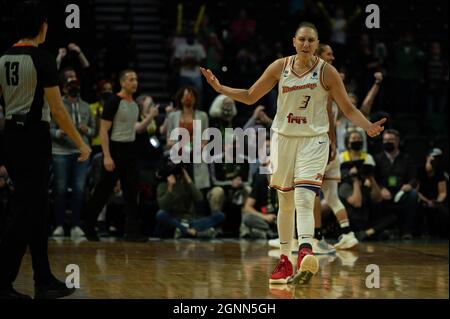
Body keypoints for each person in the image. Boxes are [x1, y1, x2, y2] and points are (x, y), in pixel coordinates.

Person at [201, 22, 385, 285]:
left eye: (311, 40)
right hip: (284, 139)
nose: (307, 44)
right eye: (302, 39)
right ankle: (285, 260)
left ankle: (306, 250)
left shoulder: (327, 72)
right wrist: (221, 89)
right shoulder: (280, 66)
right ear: (294, 42)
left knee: (303, 196)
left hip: (314, 141)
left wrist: (367, 127)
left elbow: (347, 108)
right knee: (284, 202)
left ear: (317, 43)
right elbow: (251, 95)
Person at [0, 1, 91, 299]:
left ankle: (43, 280)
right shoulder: (43, 58)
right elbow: (58, 110)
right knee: (24, 212)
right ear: (41, 25)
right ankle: (2, 282)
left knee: (37, 210)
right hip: (33, 137)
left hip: (11, 136)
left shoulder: (2, 58)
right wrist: (80, 143)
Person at [83, 69, 147, 243]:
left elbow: (135, 128)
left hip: (130, 150)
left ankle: (132, 232)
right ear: (122, 82)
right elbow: (103, 130)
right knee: (103, 191)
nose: (135, 82)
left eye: (136, 79)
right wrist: (107, 156)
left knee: (132, 192)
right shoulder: (113, 102)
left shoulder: (135, 104)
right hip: (115, 149)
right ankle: (88, 226)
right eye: (131, 79)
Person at [50, 78, 95, 238]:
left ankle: (76, 224)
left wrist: (87, 130)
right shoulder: (56, 105)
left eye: (76, 84)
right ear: (63, 88)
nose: (74, 88)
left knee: (79, 189)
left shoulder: (86, 106)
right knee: (60, 189)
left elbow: (93, 130)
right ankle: (59, 225)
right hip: (60, 151)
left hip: (81, 151)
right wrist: (58, 133)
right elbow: (48, 127)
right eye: (70, 85)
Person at [374, 129, 418, 240]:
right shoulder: (378, 159)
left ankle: (406, 231)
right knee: (375, 195)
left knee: (413, 194)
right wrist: (381, 188)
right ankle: (381, 230)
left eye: (391, 140)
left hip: (401, 192)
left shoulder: (406, 158)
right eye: (385, 140)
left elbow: (414, 178)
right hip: (384, 191)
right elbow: (374, 178)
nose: (387, 142)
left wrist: (409, 185)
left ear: (397, 142)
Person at [416, 148, 448, 238]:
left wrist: (436, 202)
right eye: (434, 157)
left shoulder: (440, 172)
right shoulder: (419, 170)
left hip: (435, 200)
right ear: (428, 158)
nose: (436, 160)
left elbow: (443, 192)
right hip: (421, 198)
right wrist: (427, 201)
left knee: (442, 210)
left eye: (438, 158)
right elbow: (416, 191)